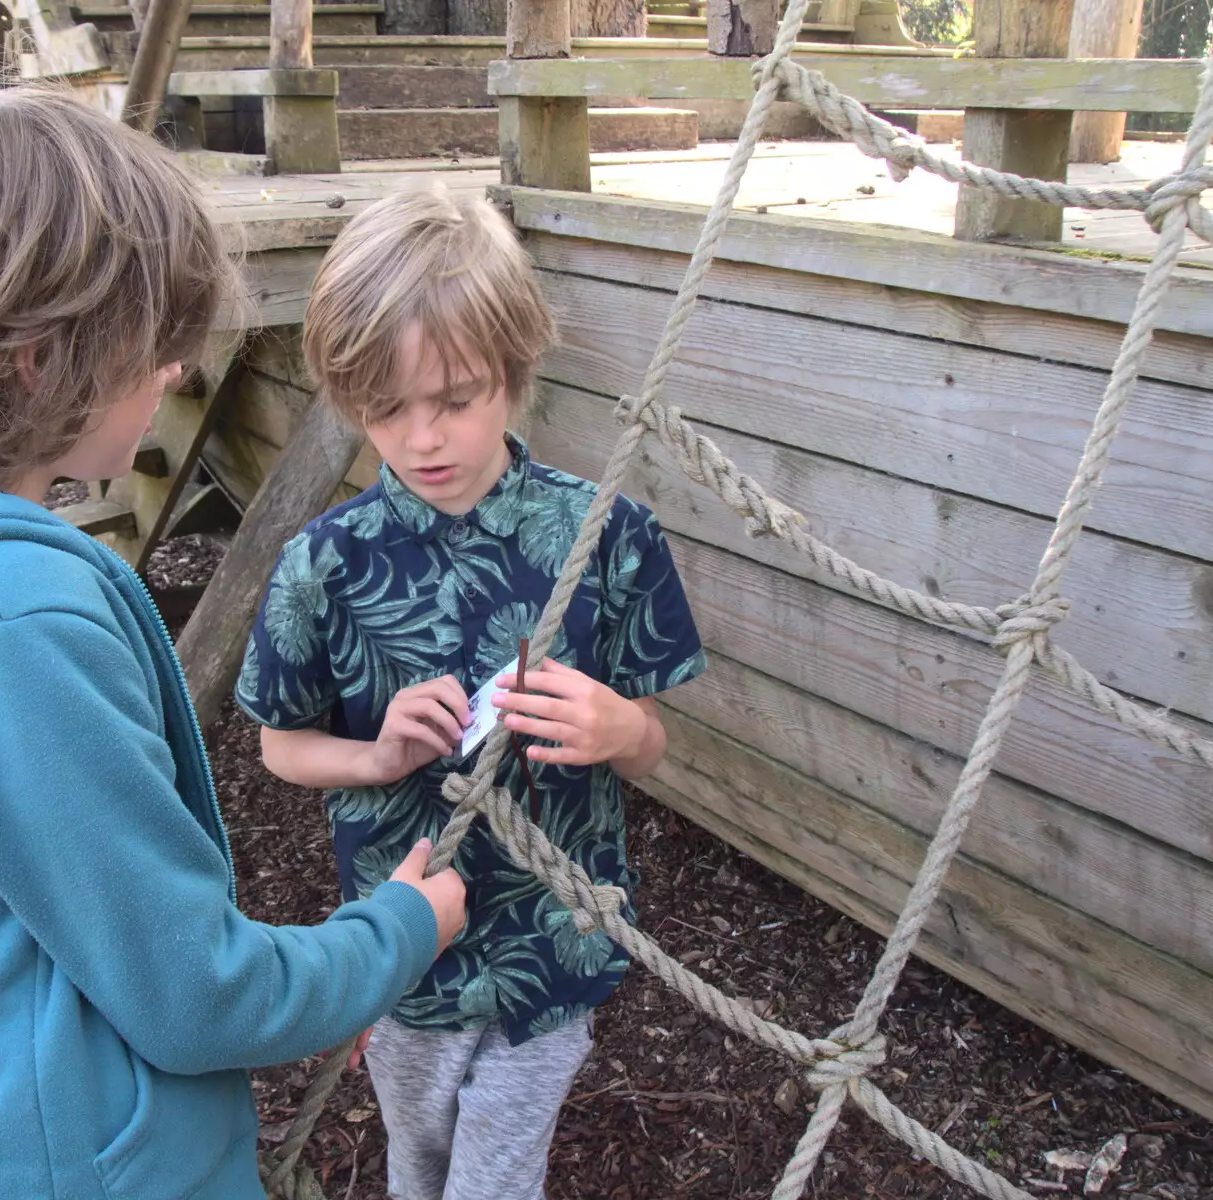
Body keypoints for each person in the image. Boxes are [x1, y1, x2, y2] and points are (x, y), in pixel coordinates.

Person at [0, 85, 465, 1200]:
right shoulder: (7, 624)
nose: (177, 369)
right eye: (156, 344)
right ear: (41, 357)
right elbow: (199, 996)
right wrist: (395, 933)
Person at [236, 183, 708, 1200]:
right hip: (404, 943)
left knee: (495, 1174)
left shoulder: (604, 538)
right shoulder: (324, 564)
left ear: (515, 371)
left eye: (455, 399)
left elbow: (652, 742)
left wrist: (618, 725)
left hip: (553, 937)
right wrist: (375, 756)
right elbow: (280, 744)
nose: (421, 441)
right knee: (419, 1154)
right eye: (385, 410)